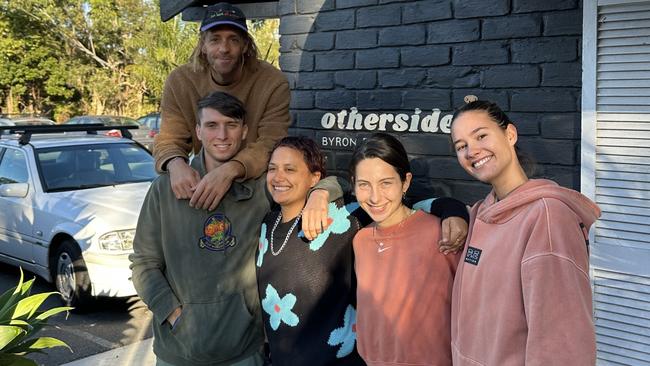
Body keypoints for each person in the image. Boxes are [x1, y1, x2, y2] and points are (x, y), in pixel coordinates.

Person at [130, 91, 341, 366]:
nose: (222, 135)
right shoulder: (166, 189)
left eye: (231, 125)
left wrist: (321, 194)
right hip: (178, 351)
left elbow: (335, 182)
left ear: (244, 131)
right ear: (198, 131)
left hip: (244, 350)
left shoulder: (261, 188)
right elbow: (143, 263)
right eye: (212, 125)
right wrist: (174, 314)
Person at [257, 136, 468, 366]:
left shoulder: (345, 218)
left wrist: (454, 210)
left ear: (315, 178)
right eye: (272, 169)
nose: (279, 177)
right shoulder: (268, 222)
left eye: (290, 169)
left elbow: (405, 208)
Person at [449, 100, 600, 365]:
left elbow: (562, 342)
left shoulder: (548, 217)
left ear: (510, 134)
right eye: (461, 146)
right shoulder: (481, 212)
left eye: (481, 136)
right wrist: (446, 210)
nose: (471, 151)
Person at [154, 2, 291, 211]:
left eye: (233, 40)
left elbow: (271, 143)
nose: (224, 49)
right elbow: (170, 137)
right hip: (204, 183)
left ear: (245, 45)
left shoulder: (272, 82)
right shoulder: (180, 81)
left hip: (256, 190)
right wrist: (175, 164)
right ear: (203, 45)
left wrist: (230, 170)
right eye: (215, 39)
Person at [349, 133, 461, 366]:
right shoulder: (360, 240)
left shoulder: (439, 232)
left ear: (406, 182)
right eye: (364, 185)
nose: (375, 197)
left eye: (386, 183)